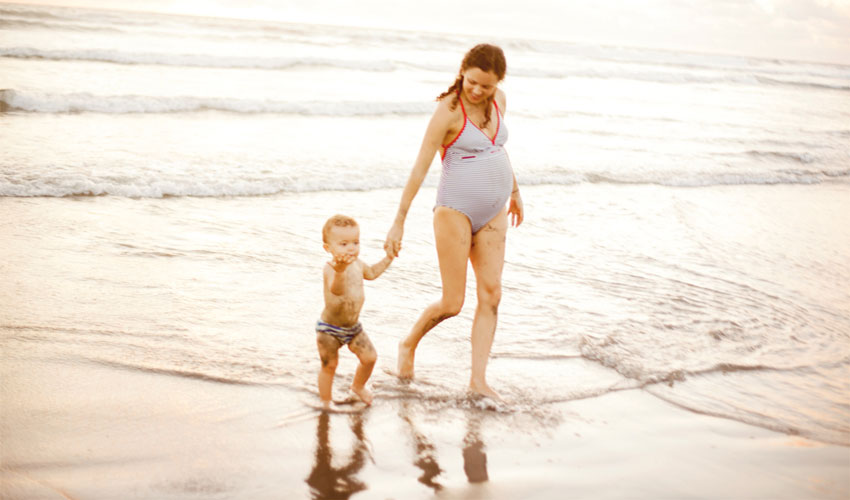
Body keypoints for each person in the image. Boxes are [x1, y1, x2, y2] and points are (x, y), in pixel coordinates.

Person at [384, 44, 524, 400]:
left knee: (492, 293)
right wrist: (399, 221)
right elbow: (420, 166)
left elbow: (498, 149)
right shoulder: (447, 111)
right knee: (453, 302)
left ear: (498, 84)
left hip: (494, 209)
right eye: (472, 81)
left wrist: (515, 191)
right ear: (462, 71)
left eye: (486, 86)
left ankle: (478, 381)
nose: (477, 91)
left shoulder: (500, 102)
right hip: (455, 210)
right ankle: (408, 344)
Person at [317, 214, 393, 407]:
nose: (351, 248)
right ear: (329, 248)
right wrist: (341, 270)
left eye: (355, 242)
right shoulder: (331, 268)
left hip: (353, 328)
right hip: (329, 329)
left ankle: (357, 387)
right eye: (343, 244)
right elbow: (337, 290)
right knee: (329, 365)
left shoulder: (358, 264)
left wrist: (389, 257)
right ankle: (325, 402)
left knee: (370, 358)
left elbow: (373, 273)